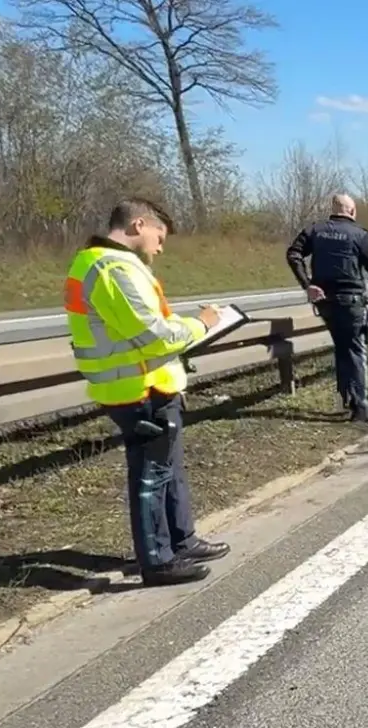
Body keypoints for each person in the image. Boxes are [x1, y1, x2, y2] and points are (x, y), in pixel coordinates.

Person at [67, 198, 231, 586]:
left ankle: (182, 540)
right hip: (138, 389)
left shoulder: (98, 262)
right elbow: (153, 336)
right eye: (160, 235)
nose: (161, 245)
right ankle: (156, 561)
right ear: (139, 225)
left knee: (167, 469)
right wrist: (204, 324)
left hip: (143, 383)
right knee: (151, 475)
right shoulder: (113, 268)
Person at [285, 193, 368, 422]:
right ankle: (361, 406)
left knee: (342, 347)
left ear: (334, 209)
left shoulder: (315, 230)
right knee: (356, 350)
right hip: (351, 301)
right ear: (352, 211)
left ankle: (349, 397)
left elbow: (293, 254)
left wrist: (308, 285)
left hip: (326, 302)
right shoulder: (359, 234)